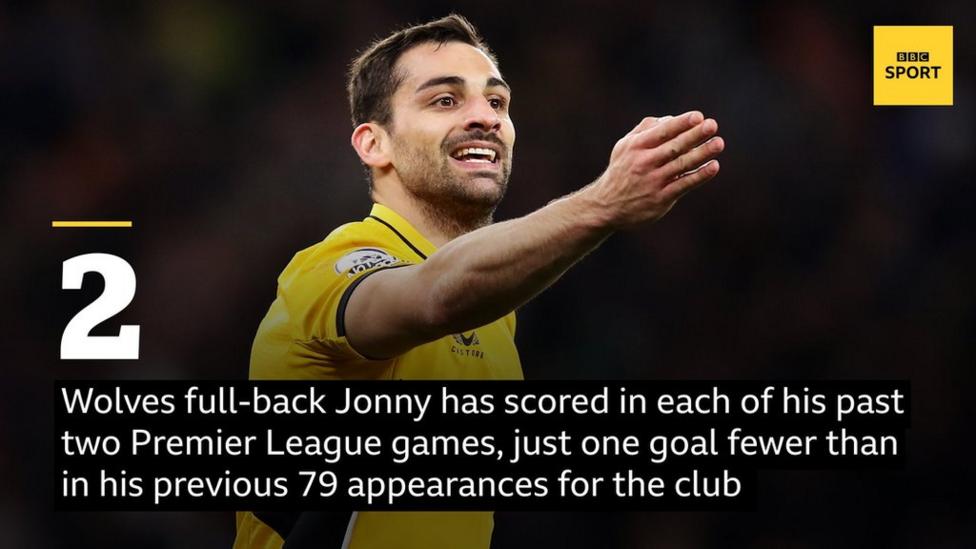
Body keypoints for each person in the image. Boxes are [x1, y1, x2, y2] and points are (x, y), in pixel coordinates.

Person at [234, 13, 724, 549]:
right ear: (375, 144)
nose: (486, 118)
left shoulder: (494, 311)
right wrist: (604, 203)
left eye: (497, 102)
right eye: (444, 100)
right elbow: (432, 296)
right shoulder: (326, 269)